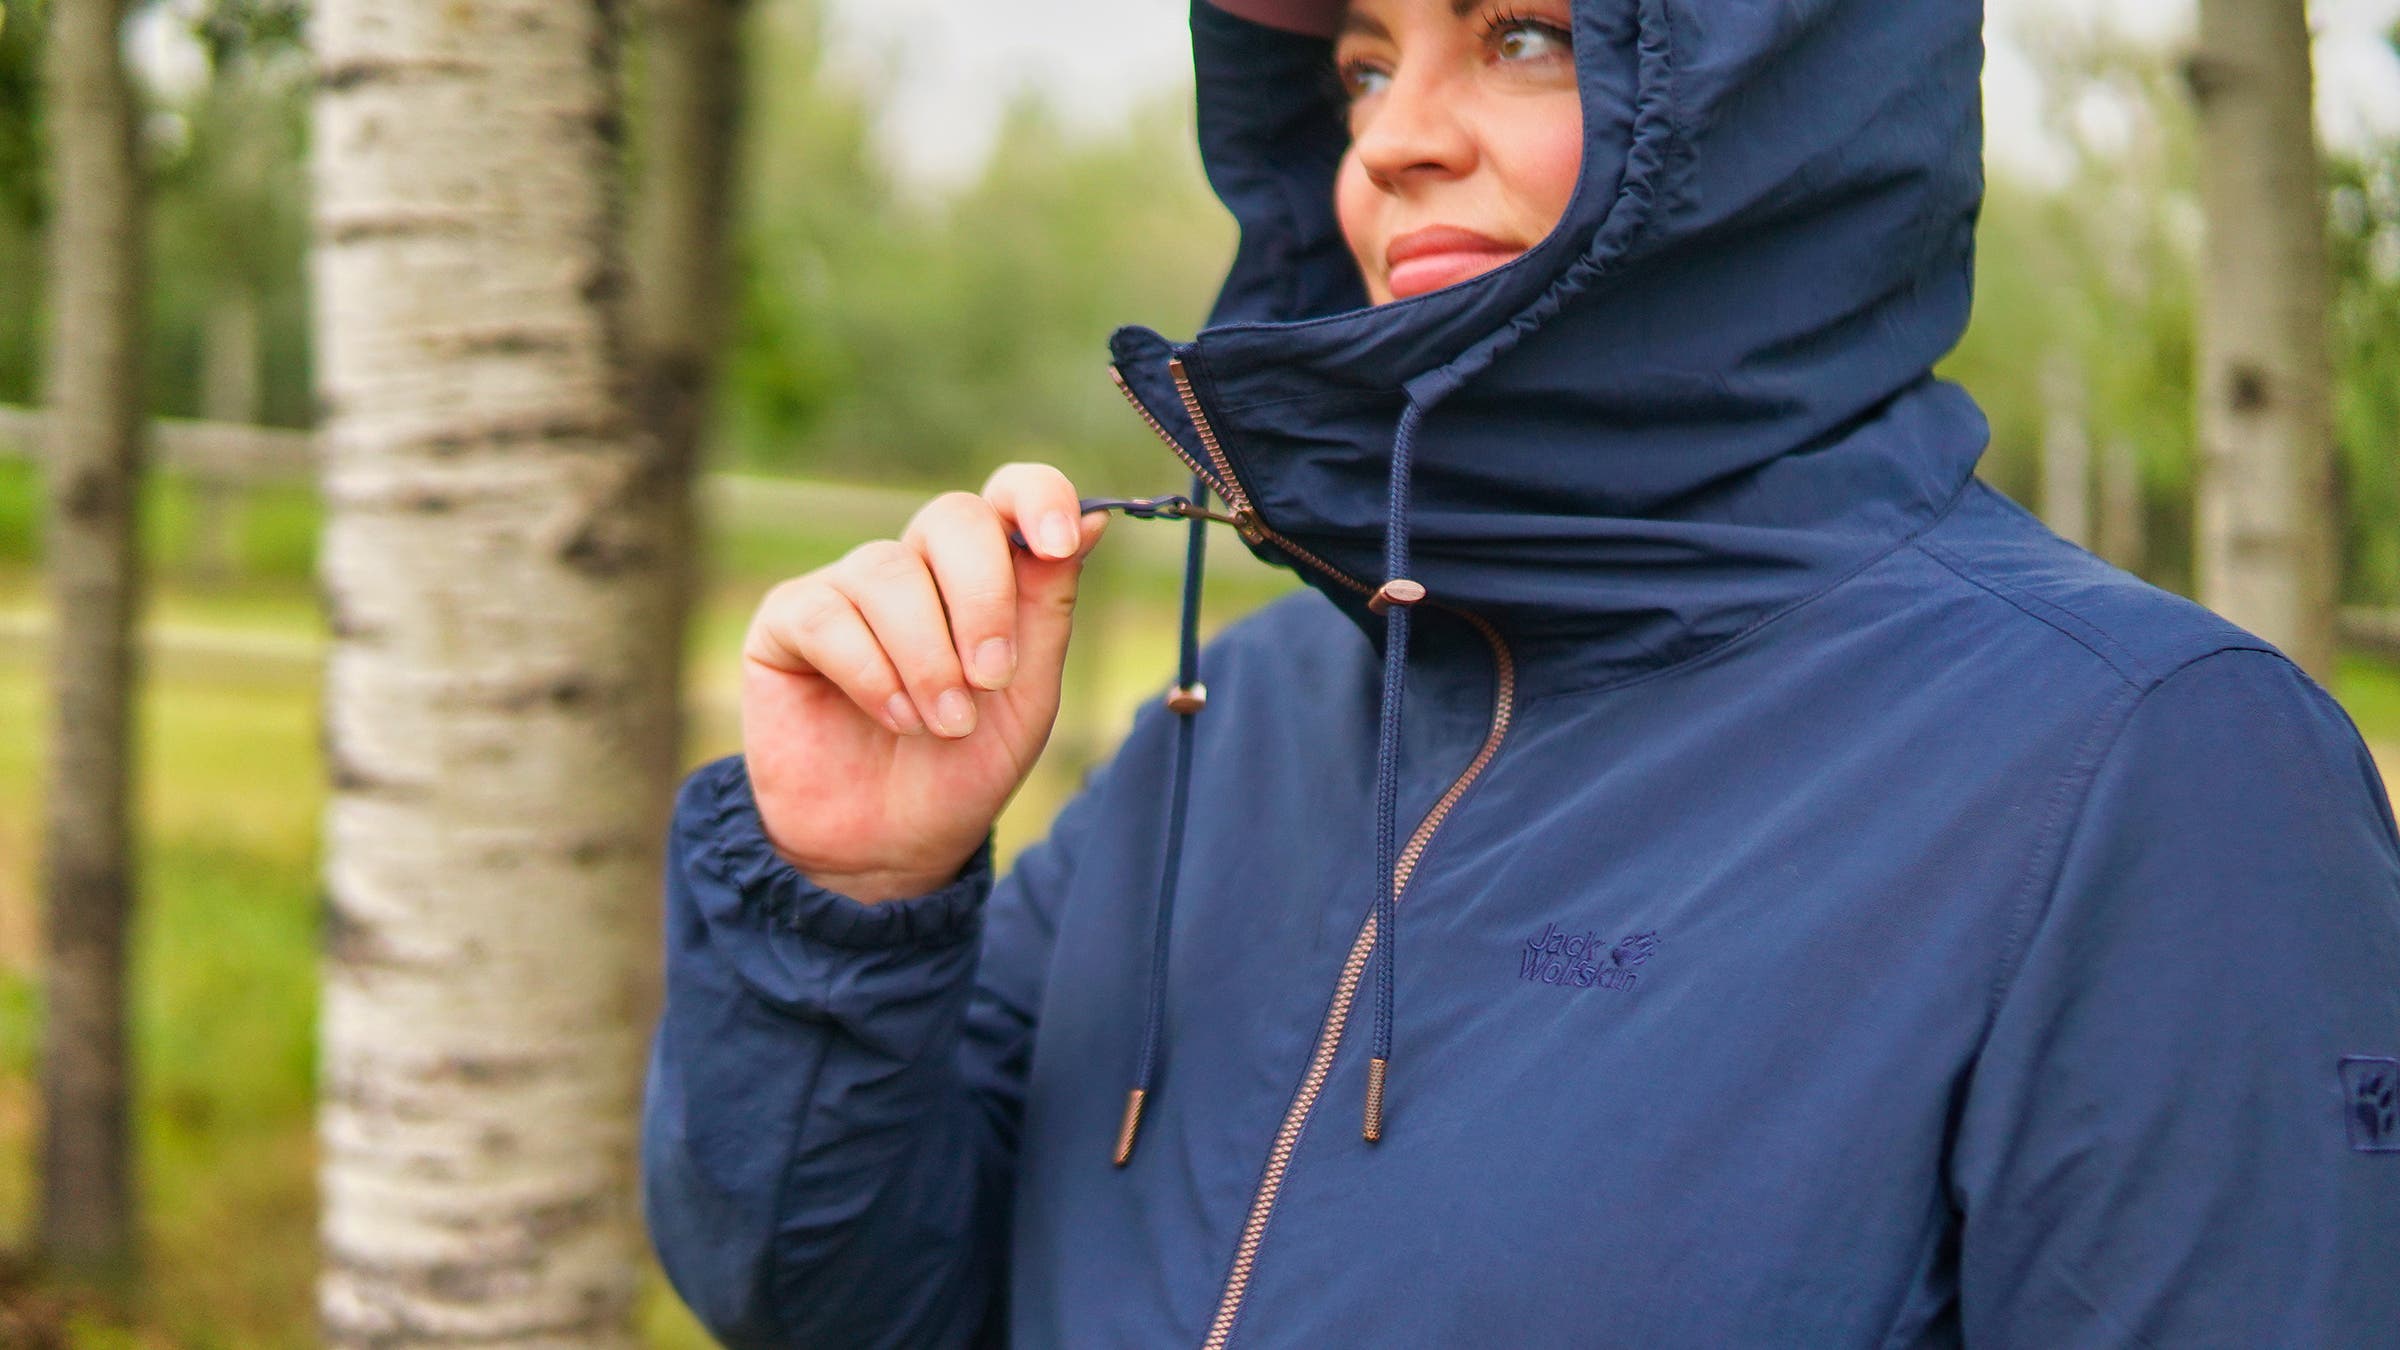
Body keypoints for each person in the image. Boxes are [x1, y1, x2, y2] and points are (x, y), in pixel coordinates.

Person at [639, 0, 2400, 1343]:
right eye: (1360, 62)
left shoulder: (2154, 768)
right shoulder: (1237, 716)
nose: (1394, 140)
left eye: (1525, 37)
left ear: (1783, 99)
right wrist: (853, 895)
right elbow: (850, 1302)